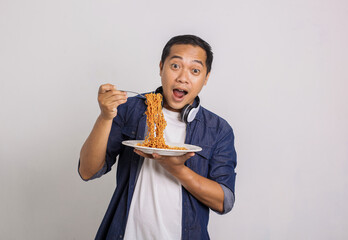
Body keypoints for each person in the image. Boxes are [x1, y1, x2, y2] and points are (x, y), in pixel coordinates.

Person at [79, 34, 237, 240]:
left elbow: (224, 202)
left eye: (195, 70)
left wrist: (176, 169)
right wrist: (105, 117)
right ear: (161, 67)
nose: (183, 77)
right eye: (175, 66)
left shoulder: (218, 130)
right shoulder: (130, 110)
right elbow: (88, 171)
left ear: (206, 78)